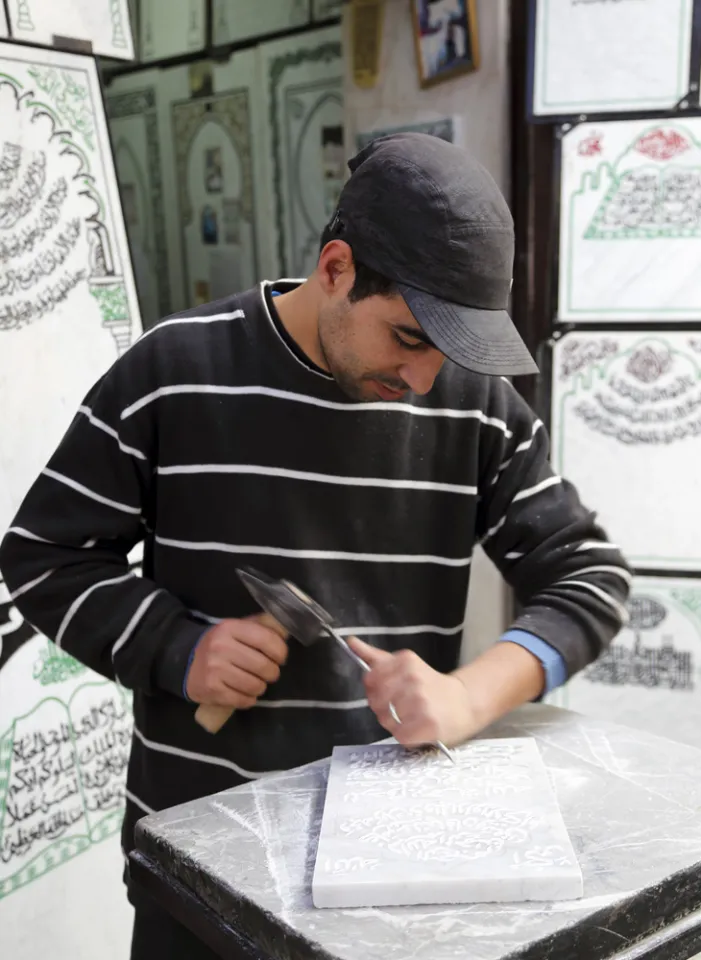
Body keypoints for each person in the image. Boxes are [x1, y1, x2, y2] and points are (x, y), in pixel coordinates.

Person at [0, 133, 631, 959]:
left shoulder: (474, 408)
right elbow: (45, 555)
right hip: (199, 870)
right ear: (335, 268)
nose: (422, 382)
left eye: (450, 353)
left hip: (397, 874)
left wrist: (471, 696)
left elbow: (589, 577)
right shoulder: (173, 372)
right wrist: (174, 646)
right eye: (407, 339)